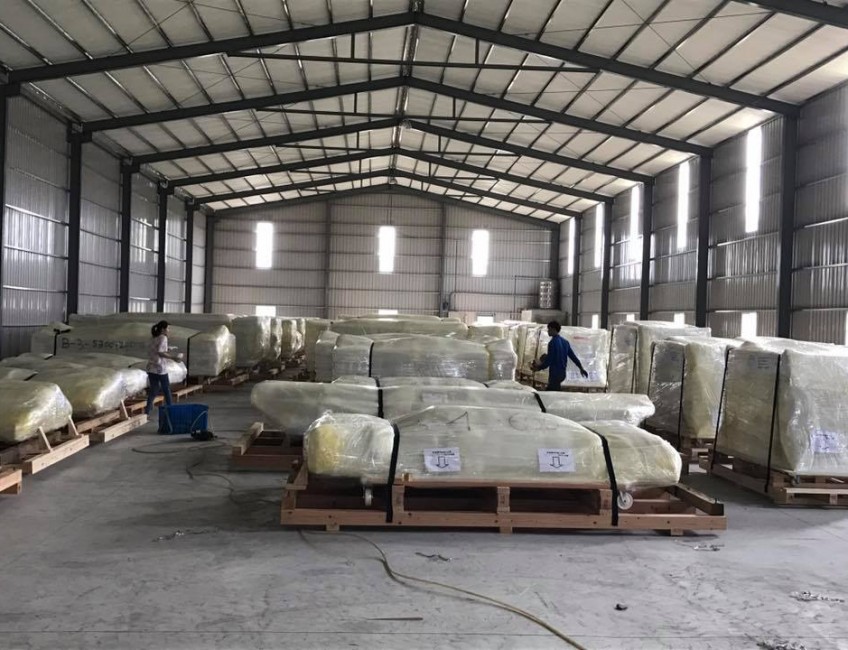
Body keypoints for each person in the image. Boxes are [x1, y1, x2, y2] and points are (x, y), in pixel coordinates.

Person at [531, 321, 589, 391]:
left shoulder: (552, 343)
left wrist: (539, 367)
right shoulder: (565, 342)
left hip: (554, 374)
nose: (548, 331)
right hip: (562, 374)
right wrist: (581, 368)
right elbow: (573, 357)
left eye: (549, 329)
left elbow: (549, 360)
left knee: (551, 393)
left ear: (553, 329)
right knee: (555, 390)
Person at [145, 321, 183, 416]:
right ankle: (170, 410)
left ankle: (147, 411)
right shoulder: (163, 337)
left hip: (151, 368)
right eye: (168, 328)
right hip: (160, 368)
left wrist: (168, 348)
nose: (169, 330)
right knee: (166, 390)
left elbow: (156, 349)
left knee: (154, 390)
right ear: (163, 329)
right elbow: (160, 352)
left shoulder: (154, 337)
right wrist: (174, 358)